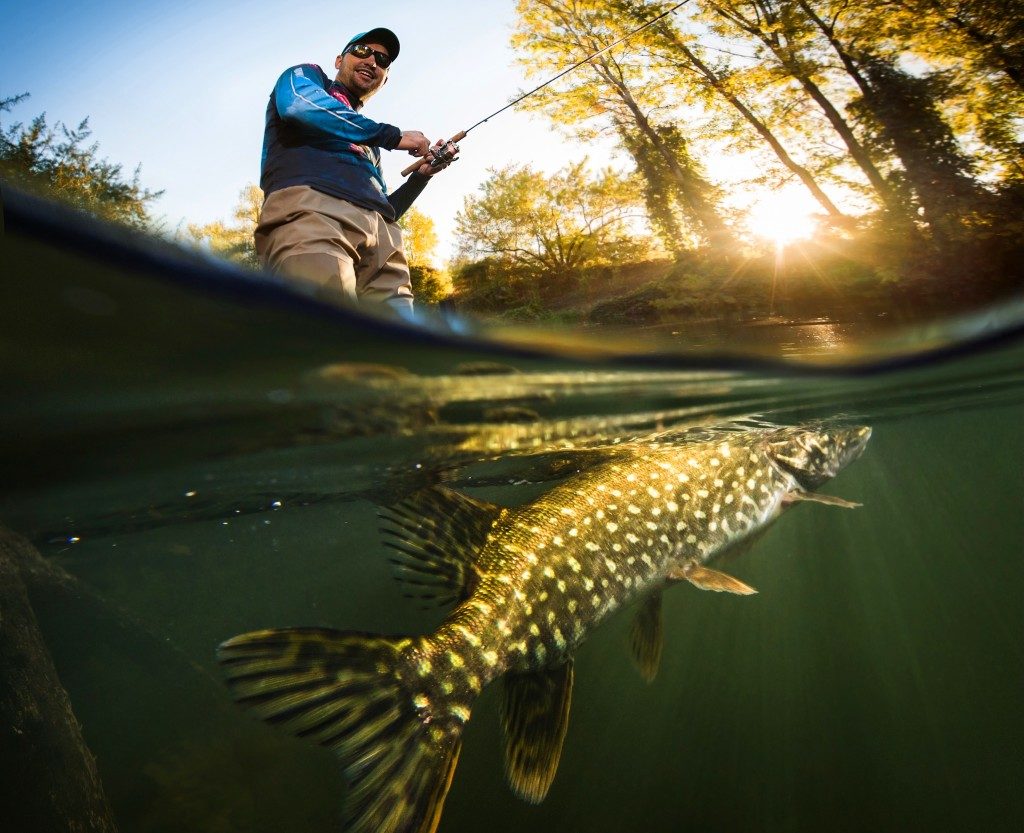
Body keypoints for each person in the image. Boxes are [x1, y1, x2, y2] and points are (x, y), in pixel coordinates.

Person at [254, 27, 455, 316]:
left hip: (385, 242)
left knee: (398, 346)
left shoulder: (369, 142)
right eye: (362, 51)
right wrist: (393, 136)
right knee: (325, 329)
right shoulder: (308, 76)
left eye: (383, 60)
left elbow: (386, 208)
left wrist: (421, 176)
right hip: (314, 211)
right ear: (339, 60)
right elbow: (299, 106)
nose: (372, 61)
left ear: (384, 81)